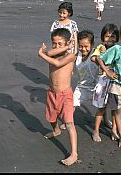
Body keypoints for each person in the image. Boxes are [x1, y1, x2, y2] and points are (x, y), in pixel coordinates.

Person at [38, 28, 78, 166]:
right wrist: (48, 52)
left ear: (67, 43)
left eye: (60, 43)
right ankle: (56, 130)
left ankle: (74, 153)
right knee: (51, 116)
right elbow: (49, 52)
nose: (56, 46)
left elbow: (58, 64)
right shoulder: (53, 54)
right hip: (52, 93)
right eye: (54, 43)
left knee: (68, 123)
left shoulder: (70, 55)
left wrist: (40, 54)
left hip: (65, 94)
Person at [91, 23, 120, 142]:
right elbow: (93, 58)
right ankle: (96, 131)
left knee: (115, 107)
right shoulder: (100, 47)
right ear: (103, 37)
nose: (110, 39)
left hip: (114, 81)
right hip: (103, 80)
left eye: (113, 37)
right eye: (107, 36)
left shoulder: (118, 48)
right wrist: (101, 54)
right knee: (101, 107)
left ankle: (114, 129)